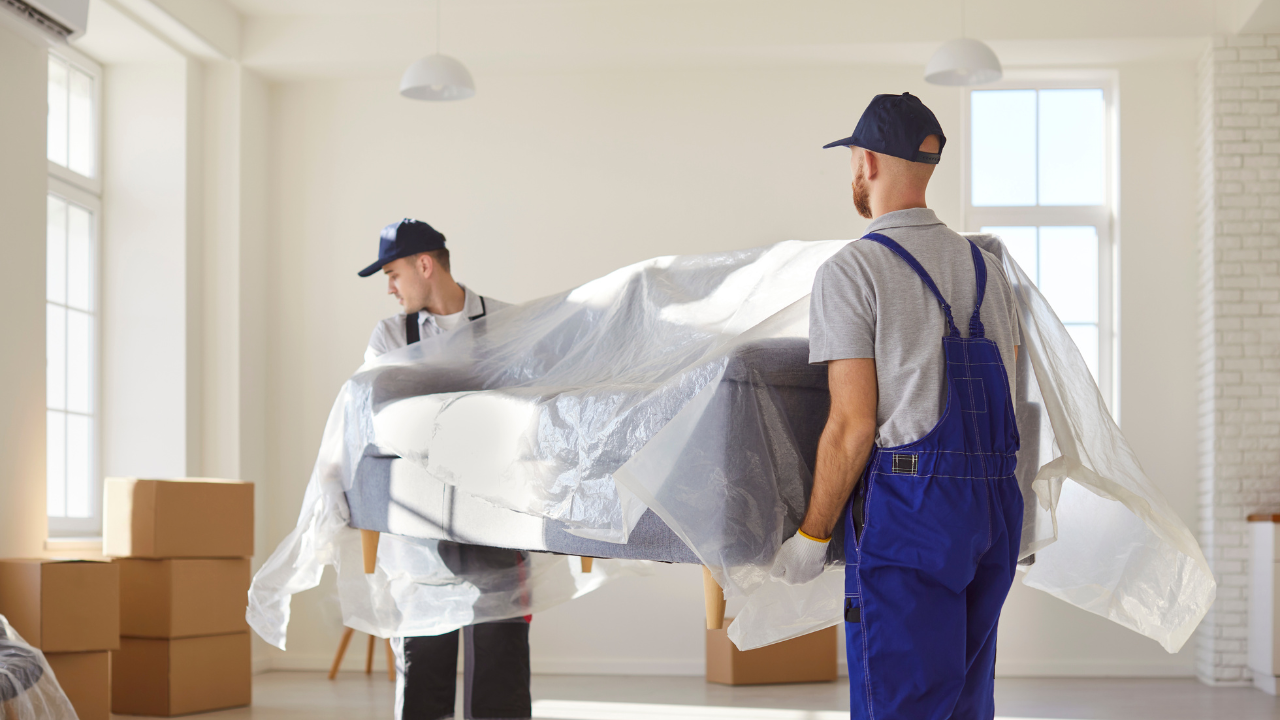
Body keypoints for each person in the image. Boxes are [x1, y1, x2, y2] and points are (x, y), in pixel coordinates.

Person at [768, 93, 1023, 719]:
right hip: (993, 512)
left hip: (912, 516)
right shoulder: (990, 272)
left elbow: (852, 427)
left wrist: (811, 535)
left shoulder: (852, 271)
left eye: (853, 159)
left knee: (902, 706)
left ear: (869, 162)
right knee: (965, 704)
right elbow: (1011, 402)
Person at [358, 218, 530, 720]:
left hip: (497, 513)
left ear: (424, 264)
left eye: (392, 273)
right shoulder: (390, 335)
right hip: (420, 515)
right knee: (424, 653)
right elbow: (379, 416)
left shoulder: (507, 323)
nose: (389, 287)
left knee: (501, 648)